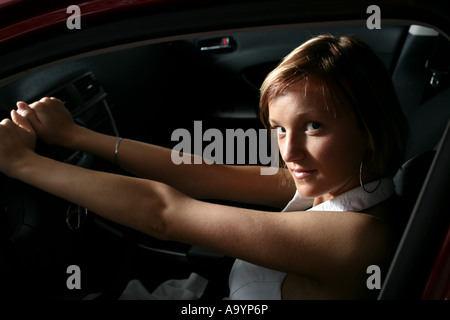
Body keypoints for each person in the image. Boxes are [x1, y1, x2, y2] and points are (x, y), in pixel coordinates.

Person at [0, 34, 408, 299]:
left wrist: (22, 163)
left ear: (369, 128)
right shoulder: (340, 182)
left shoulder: (356, 238)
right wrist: (77, 137)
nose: (290, 152)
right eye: (280, 129)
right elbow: (201, 173)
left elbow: (164, 214)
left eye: (314, 126)